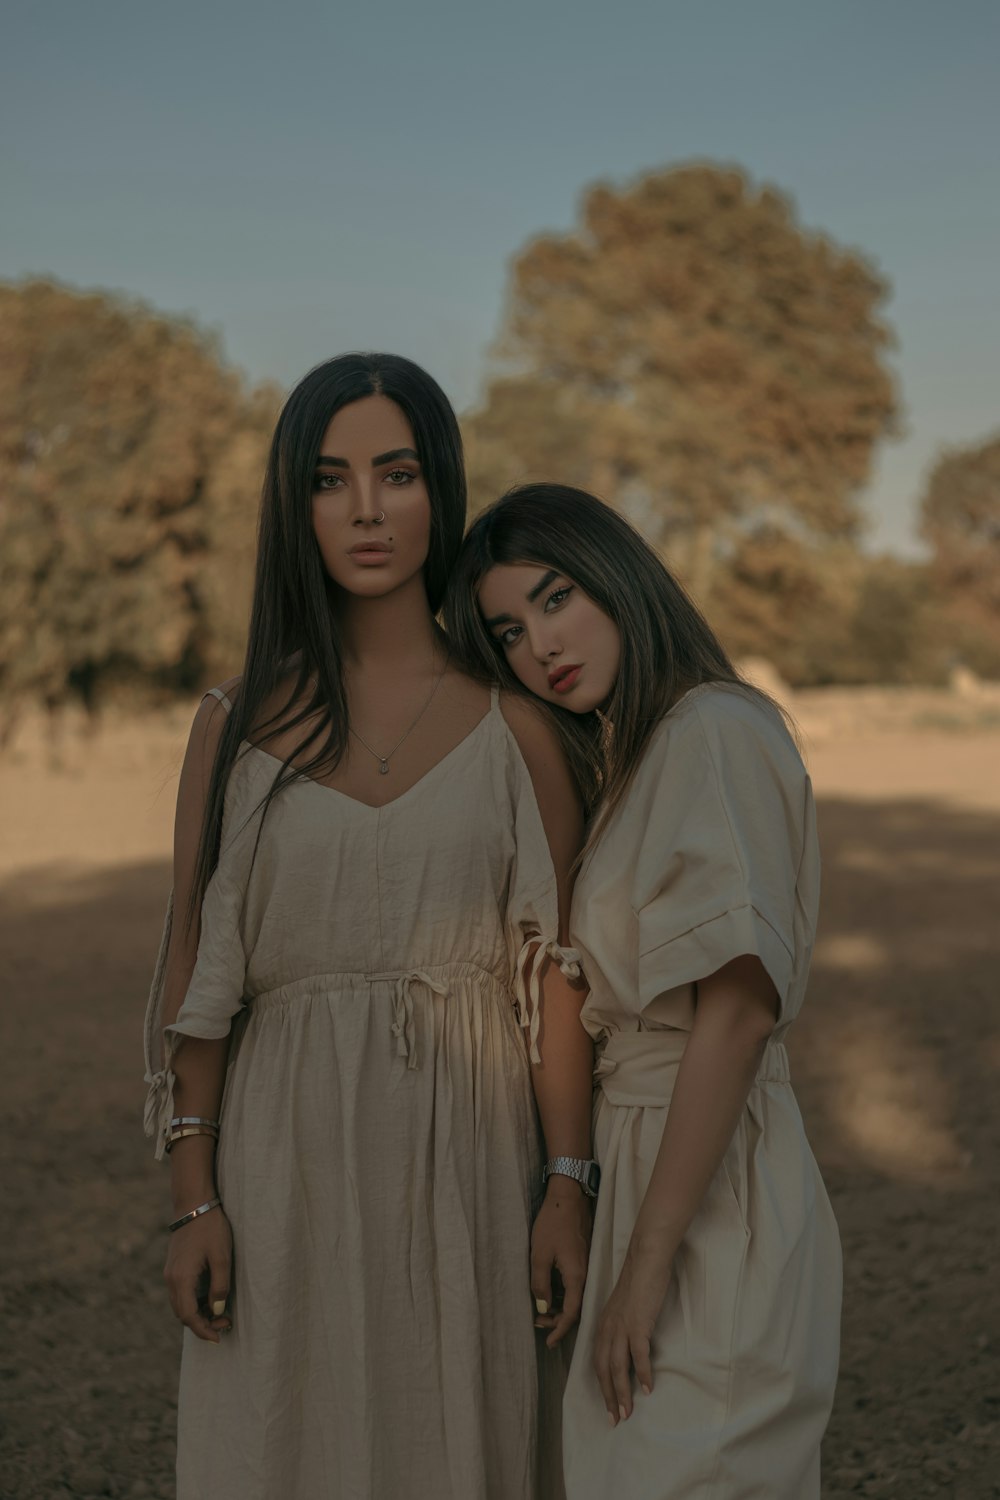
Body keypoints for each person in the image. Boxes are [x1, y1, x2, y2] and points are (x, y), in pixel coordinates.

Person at [142, 361, 595, 1500]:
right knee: (288, 1441)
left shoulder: (519, 728)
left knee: (467, 1440)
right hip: (280, 1153)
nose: (364, 510)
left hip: (476, 1160)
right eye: (329, 478)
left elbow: (556, 984)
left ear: (437, 490)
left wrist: (566, 1185)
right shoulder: (234, 726)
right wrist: (195, 1198)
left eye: (394, 474)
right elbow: (198, 969)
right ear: (293, 503)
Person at [444, 483, 842, 1500]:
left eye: (556, 597)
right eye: (507, 630)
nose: (539, 644)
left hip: (708, 1185)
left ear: (618, 578)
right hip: (644, 1163)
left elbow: (739, 1008)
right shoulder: (638, 755)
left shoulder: (713, 728)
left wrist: (647, 1266)